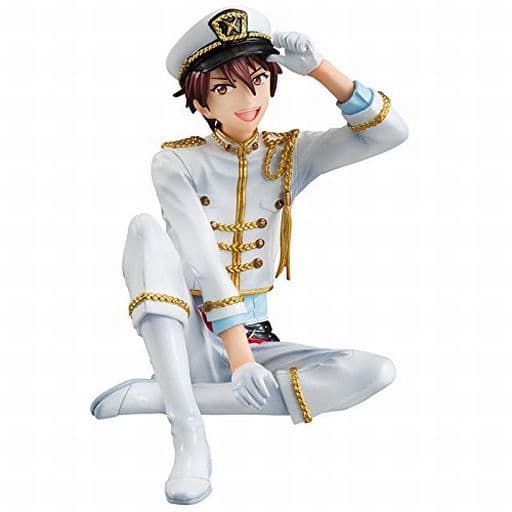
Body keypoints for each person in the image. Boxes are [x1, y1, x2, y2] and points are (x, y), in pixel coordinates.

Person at [90, 5, 409, 506]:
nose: (248, 99)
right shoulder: (175, 162)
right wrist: (238, 359)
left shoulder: (289, 154)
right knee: (145, 231)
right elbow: (202, 258)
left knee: (375, 371)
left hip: (259, 341)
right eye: (225, 87)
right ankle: (188, 434)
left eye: (258, 80)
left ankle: (165, 395)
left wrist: (320, 69)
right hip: (187, 335)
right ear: (200, 101)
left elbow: (390, 133)